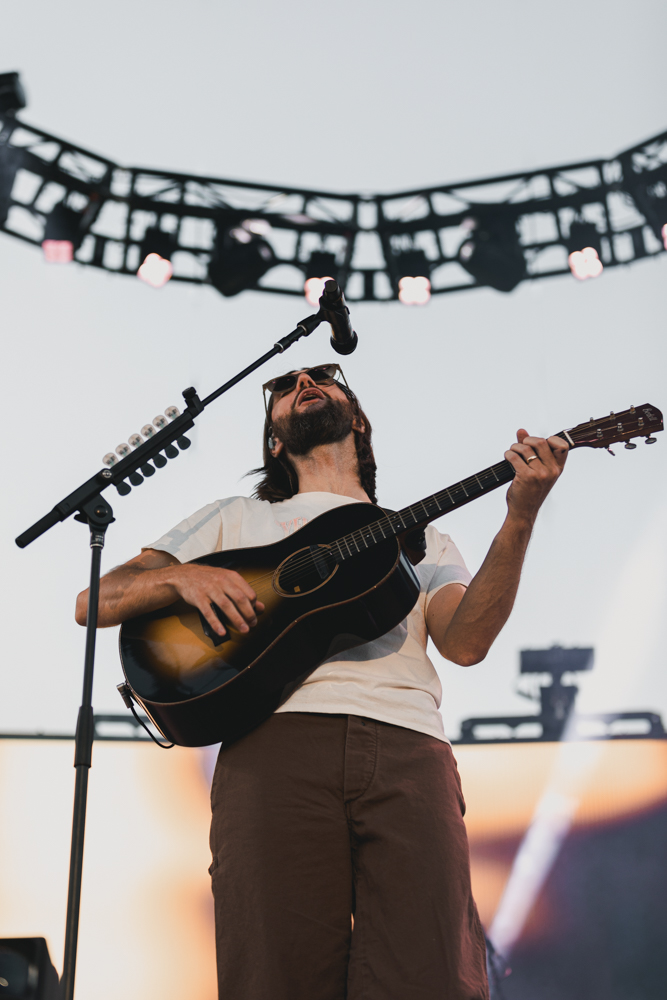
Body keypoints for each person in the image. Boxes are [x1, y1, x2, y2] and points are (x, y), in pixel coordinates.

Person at [75, 363, 568, 1000]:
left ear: (357, 421)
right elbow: (96, 601)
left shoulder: (423, 540)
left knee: (432, 972)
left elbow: (466, 641)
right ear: (274, 440)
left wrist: (520, 517)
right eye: (284, 386)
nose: (303, 381)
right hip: (273, 749)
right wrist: (180, 578)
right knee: (275, 971)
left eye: (323, 377)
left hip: (409, 751)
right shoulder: (232, 520)